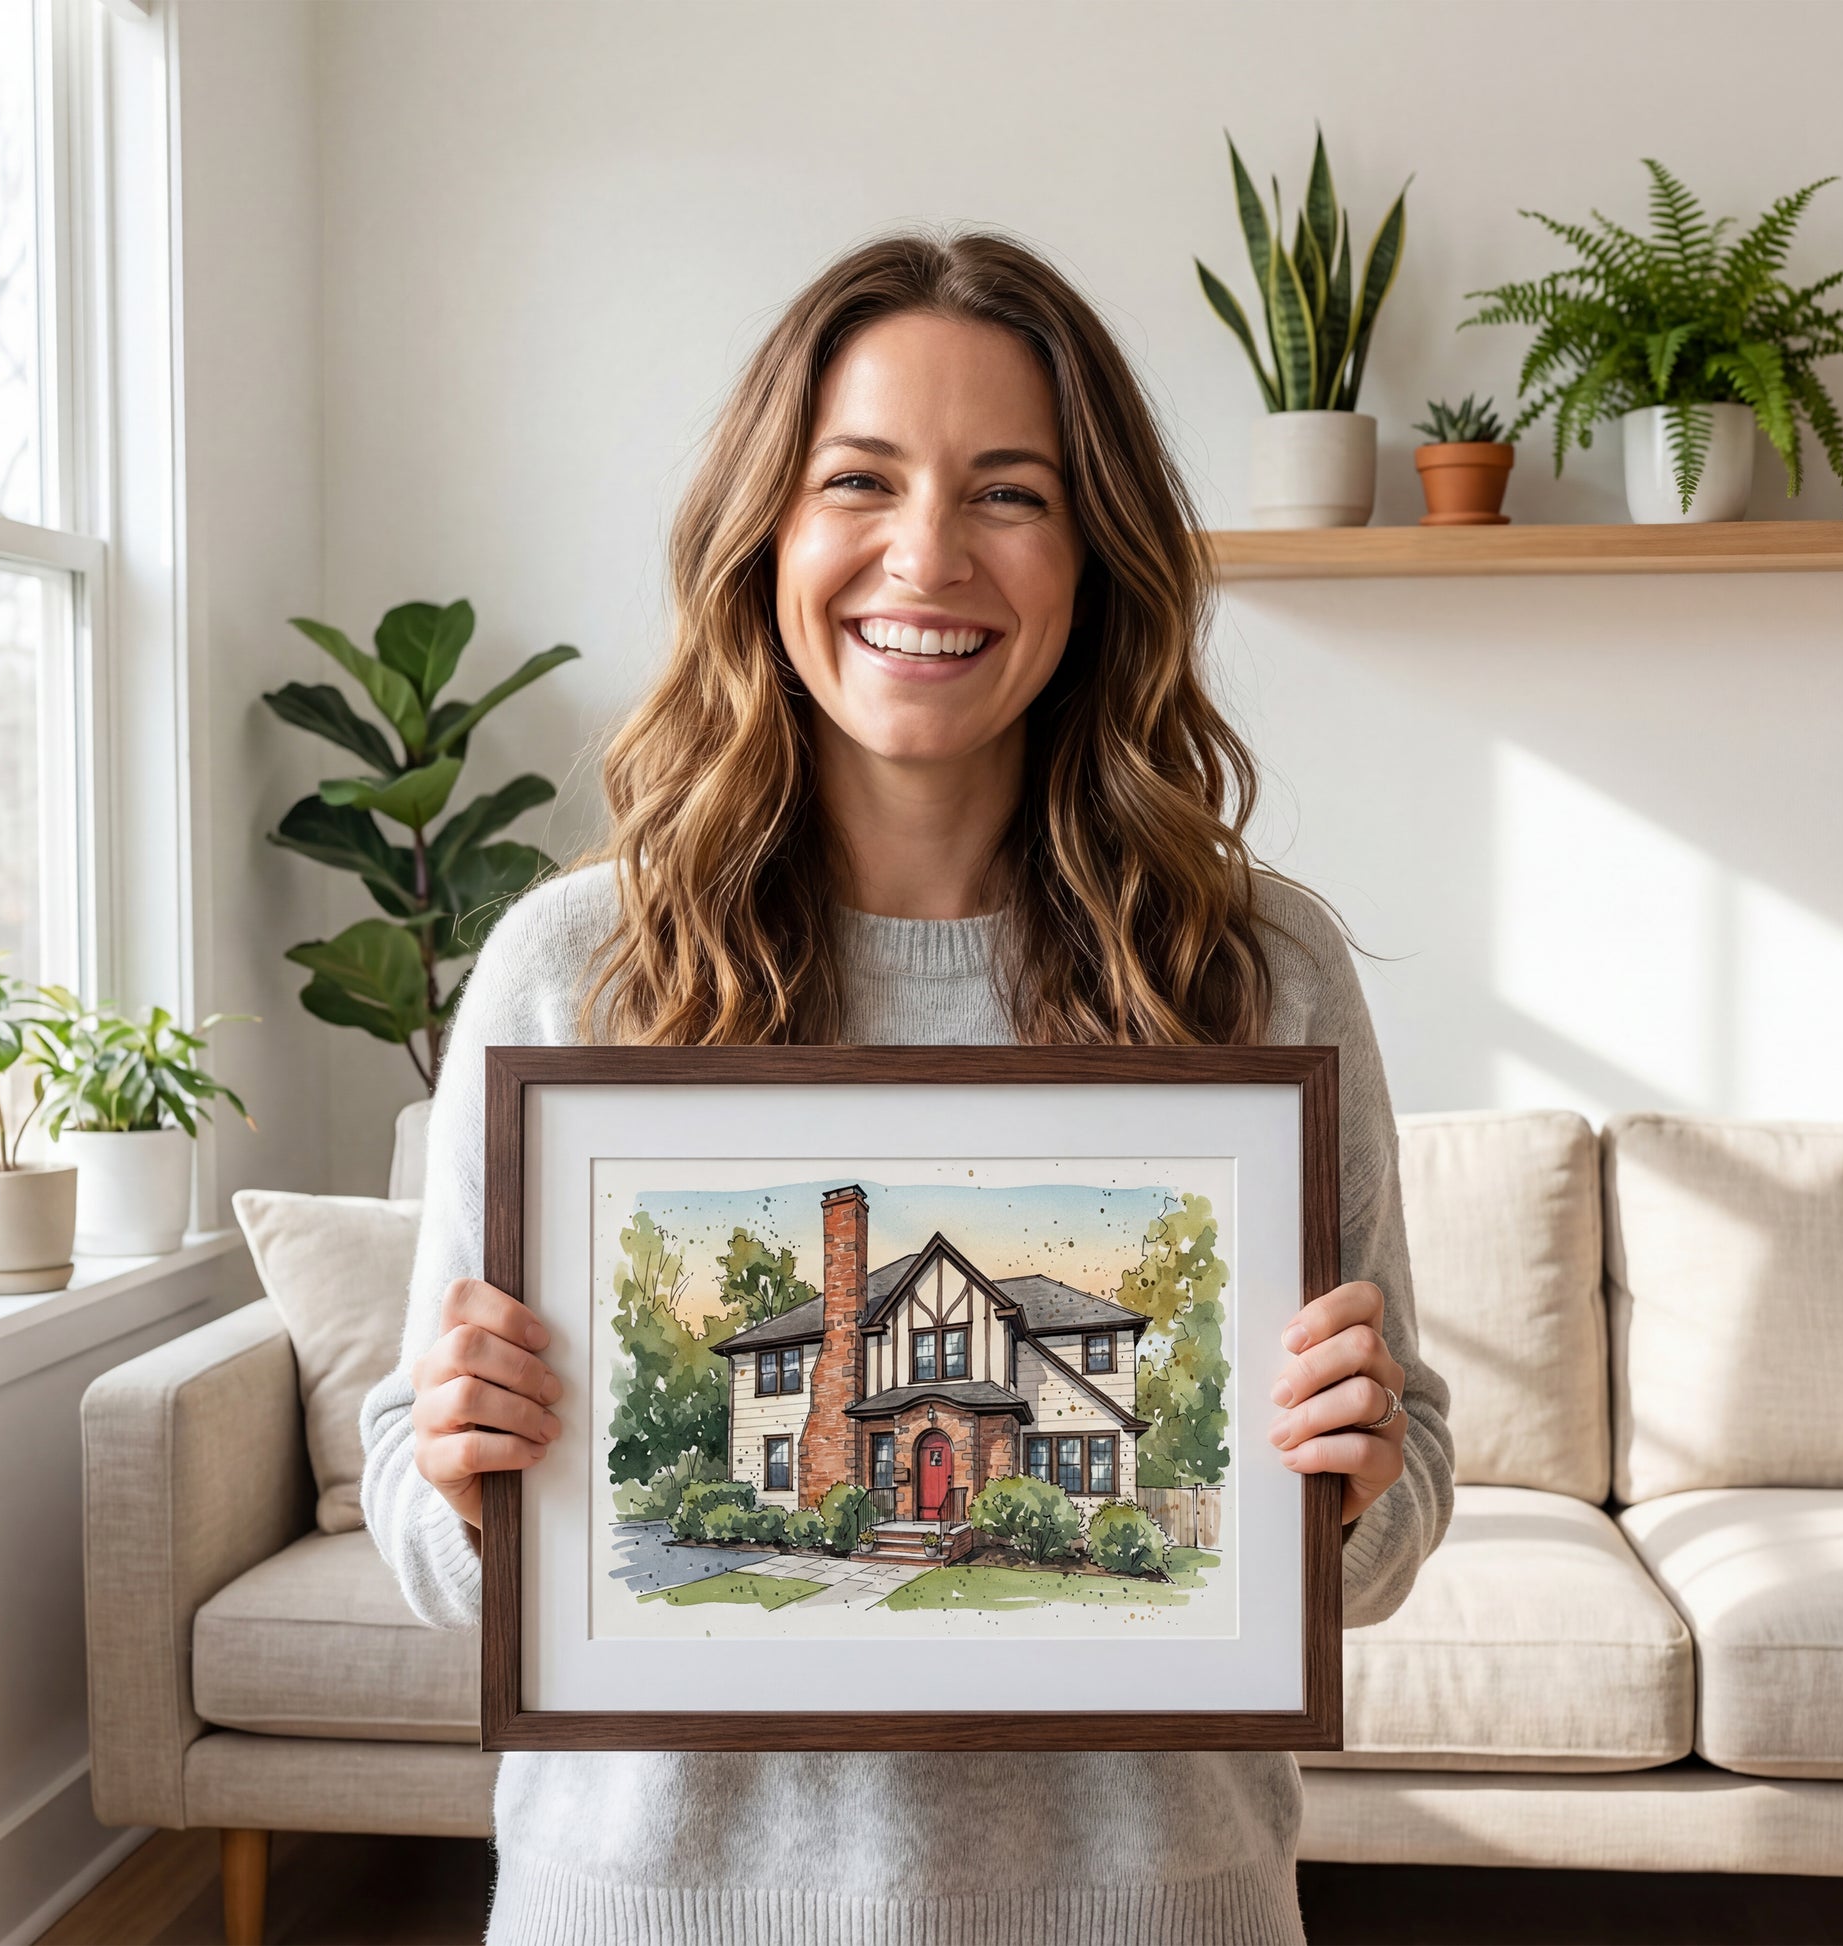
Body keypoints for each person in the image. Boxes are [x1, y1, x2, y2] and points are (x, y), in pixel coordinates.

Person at [359, 226, 1453, 1946]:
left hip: (1141, 1909)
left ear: (1095, 555)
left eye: (1008, 491)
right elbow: (427, 1532)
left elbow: (1390, 1522)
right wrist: (451, 1462)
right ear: (765, 533)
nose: (925, 553)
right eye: (856, 478)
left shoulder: (1254, 971)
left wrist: (1363, 1469)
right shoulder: (577, 968)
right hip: (651, 1907)